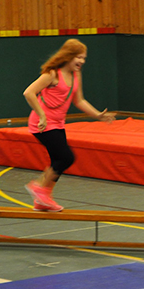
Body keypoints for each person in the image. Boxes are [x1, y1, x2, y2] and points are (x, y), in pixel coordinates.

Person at [22, 39, 115, 211]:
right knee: (66, 158)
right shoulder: (52, 74)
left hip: (57, 123)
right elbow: (29, 93)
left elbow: (79, 100)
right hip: (42, 124)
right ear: (68, 56)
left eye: (84, 58)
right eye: (78, 57)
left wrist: (97, 115)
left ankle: (43, 198)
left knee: (58, 160)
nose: (82, 61)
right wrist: (42, 115)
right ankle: (39, 187)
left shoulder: (75, 75)